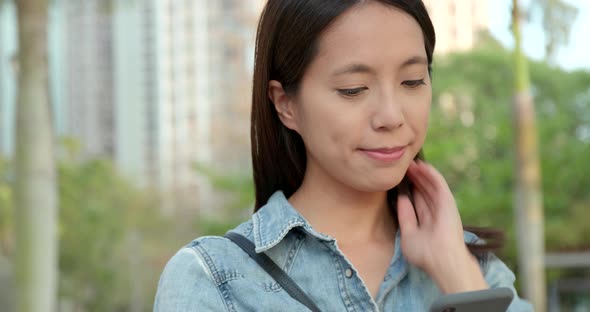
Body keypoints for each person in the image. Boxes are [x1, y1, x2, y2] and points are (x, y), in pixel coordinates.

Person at [154, 0, 533, 310]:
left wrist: (457, 272)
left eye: (412, 81)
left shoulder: (478, 270)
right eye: (354, 89)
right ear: (286, 104)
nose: (391, 116)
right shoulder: (213, 280)